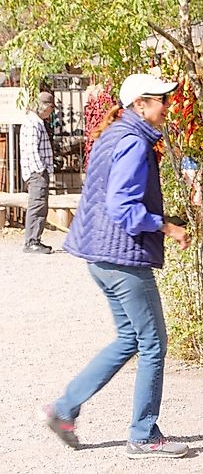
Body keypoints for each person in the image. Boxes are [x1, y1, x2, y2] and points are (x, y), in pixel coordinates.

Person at [44, 74, 191, 459]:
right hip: (123, 259)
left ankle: (63, 409)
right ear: (140, 104)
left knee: (130, 339)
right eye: (161, 100)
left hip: (101, 257)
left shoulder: (115, 134)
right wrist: (166, 226)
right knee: (154, 344)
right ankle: (143, 436)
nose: (167, 106)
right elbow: (122, 207)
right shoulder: (132, 141)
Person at [20, 91, 56, 254]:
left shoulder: (35, 122)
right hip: (36, 172)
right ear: (43, 106)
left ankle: (35, 239)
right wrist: (40, 170)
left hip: (37, 171)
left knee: (40, 204)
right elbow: (32, 149)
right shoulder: (33, 123)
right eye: (50, 107)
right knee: (37, 204)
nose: (51, 111)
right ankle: (32, 241)